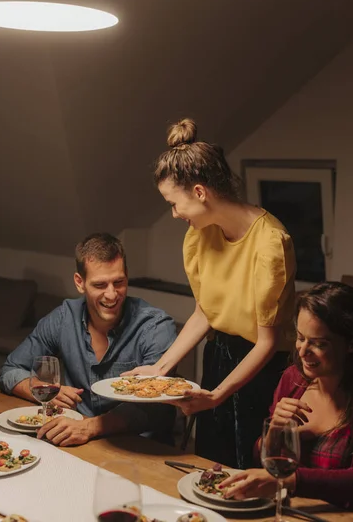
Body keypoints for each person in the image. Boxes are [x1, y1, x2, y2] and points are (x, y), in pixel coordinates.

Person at [124, 118, 296, 468]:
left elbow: (266, 342)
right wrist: (160, 368)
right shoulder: (199, 235)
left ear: (200, 192)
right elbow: (205, 312)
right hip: (218, 357)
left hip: (262, 370)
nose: (173, 214)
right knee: (209, 466)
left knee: (248, 469)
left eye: (174, 203)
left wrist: (217, 396)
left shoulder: (270, 244)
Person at [0, 232, 177, 447]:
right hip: (77, 441)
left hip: (140, 448)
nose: (111, 295)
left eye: (118, 282)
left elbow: (154, 406)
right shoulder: (63, 318)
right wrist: (44, 392)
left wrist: (90, 428)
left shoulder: (156, 326)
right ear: (79, 282)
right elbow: (10, 369)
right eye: (100, 285)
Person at [219, 281, 353, 512]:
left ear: (352, 343)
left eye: (319, 344)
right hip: (289, 512)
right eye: (300, 337)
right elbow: (263, 459)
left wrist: (287, 481)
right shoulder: (293, 379)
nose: (303, 351)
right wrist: (273, 431)